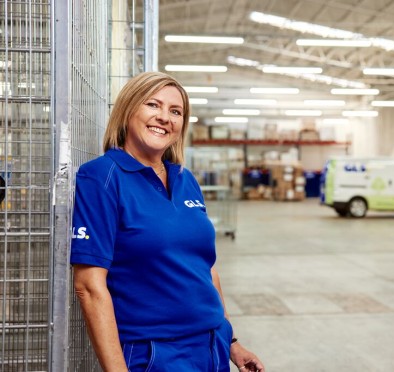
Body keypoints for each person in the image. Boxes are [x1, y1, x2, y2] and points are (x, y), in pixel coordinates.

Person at [70, 71, 265, 372]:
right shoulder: (101, 176)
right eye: (153, 105)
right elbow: (89, 287)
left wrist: (232, 342)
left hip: (213, 346)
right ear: (128, 110)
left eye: (176, 112)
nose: (165, 117)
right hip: (157, 353)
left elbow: (205, 268)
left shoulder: (186, 179)